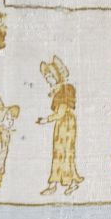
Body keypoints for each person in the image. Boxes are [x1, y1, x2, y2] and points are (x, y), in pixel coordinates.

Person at [37, 56, 84, 196]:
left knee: (63, 153)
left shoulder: (64, 91)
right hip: (64, 125)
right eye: (46, 77)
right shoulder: (58, 90)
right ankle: (57, 183)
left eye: (50, 76)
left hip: (65, 125)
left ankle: (66, 182)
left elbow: (60, 113)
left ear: (56, 76)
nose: (48, 79)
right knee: (60, 153)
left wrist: (45, 120)